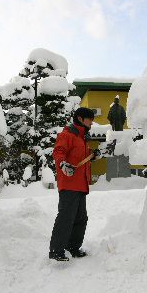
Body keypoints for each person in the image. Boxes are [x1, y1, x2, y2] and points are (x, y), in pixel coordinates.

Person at [49, 107, 102, 261]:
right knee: (66, 217)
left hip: (81, 184)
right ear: (80, 118)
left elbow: (80, 157)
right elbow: (58, 152)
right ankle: (56, 251)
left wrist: (93, 155)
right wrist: (62, 164)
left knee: (81, 218)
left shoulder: (82, 138)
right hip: (69, 184)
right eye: (90, 119)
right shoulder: (68, 135)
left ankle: (73, 247)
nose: (92, 122)